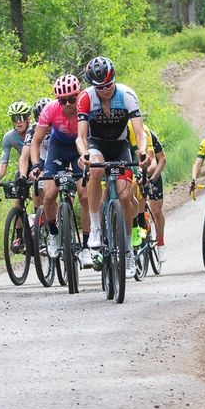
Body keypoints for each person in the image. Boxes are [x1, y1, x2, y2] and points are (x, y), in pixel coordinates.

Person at [77, 55, 150, 277]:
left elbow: (139, 132)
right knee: (96, 169)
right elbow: (80, 136)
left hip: (120, 145)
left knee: (126, 198)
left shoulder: (127, 95)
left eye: (109, 85)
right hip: (96, 143)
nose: (105, 90)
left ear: (114, 79)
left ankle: (127, 250)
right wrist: (84, 154)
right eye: (100, 87)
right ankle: (96, 228)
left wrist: (143, 150)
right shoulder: (86, 98)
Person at [27, 76, 91, 264]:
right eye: (63, 100)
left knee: (85, 196)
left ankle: (87, 245)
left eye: (72, 98)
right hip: (58, 148)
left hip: (81, 148)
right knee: (48, 195)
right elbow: (35, 142)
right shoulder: (50, 110)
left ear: (78, 94)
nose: (68, 104)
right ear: (57, 100)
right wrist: (37, 164)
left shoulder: (85, 105)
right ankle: (53, 233)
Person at [133, 121, 168, 262]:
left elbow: (161, 160)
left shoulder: (147, 133)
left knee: (156, 210)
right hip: (135, 172)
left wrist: (152, 178)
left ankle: (160, 244)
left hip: (152, 172)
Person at [0, 100, 33, 208]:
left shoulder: (36, 131)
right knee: (17, 202)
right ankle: (19, 224)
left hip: (39, 163)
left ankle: (44, 222)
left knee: (40, 194)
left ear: (28, 119)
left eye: (21, 117)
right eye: (14, 119)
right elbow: (3, 163)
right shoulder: (9, 137)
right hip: (24, 166)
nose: (18, 122)